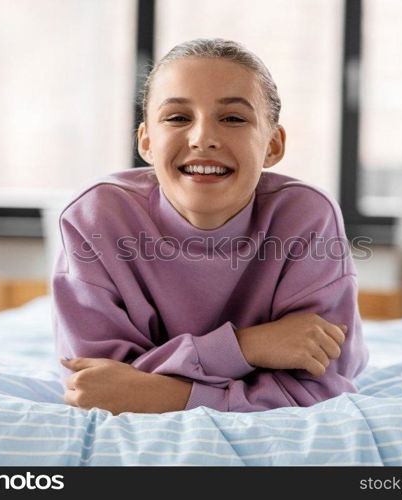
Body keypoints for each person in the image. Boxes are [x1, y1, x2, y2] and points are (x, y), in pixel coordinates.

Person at [52, 38, 369, 414]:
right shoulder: (95, 218)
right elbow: (96, 385)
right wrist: (245, 347)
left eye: (233, 118)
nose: (203, 138)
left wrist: (161, 394)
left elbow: (323, 390)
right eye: (177, 118)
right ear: (147, 141)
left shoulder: (308, 218)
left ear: (273, 145)